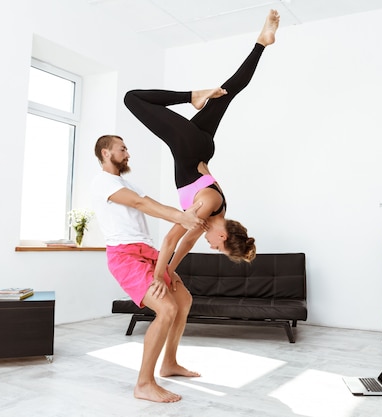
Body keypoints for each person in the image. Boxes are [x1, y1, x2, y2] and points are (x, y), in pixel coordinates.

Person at [123, 9, 280, 287]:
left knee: (227, 92)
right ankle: (192, 95)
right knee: (132, 99)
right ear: (224, 237)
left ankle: (262, 42)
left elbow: (183, 246)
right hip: (189, 147)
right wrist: (158, 278)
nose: (212, 248)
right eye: (218, 248)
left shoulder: (209, 217)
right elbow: (172, 238)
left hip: (200, 146)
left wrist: (170, 272)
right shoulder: (208, 205)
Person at [91, 134, 205, 403]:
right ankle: (144, 383)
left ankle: (170, 363)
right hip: (124, 255)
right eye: (122, 149)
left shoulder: (126, 183)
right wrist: (182, 218)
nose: (127, 153)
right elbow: (142, 205)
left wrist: (184, 212)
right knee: (166, 309)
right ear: (106, 153)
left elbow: (152, 204)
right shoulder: (102, 182)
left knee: (183, 299)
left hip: (147, 252)